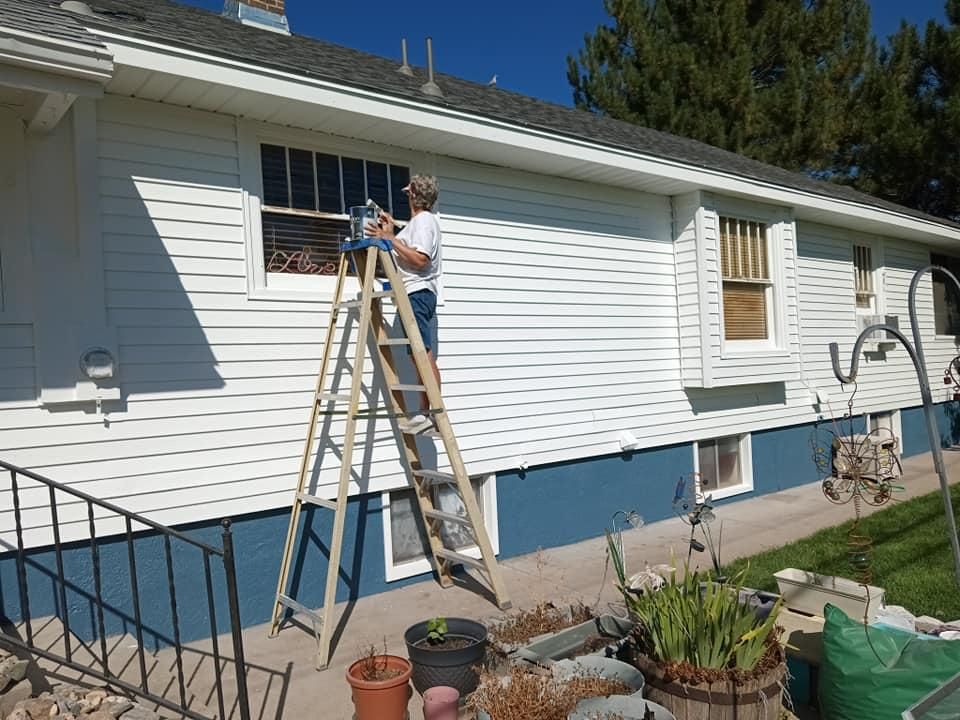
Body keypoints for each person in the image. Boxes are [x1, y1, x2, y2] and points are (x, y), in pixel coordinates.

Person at [365, 174, 443, 433]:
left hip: (417, 293)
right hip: (415, 293)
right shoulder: (419, 223)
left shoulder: (423, 221)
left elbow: (420, 260)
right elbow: (409, 249)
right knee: (418, 355)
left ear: (412, 194)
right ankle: (427, 413)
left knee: (423, 354)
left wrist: (390, 239)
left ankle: (432, 415)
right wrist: (392, 231)